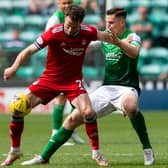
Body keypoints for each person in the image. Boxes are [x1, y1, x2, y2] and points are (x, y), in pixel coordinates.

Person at [20, 7, 154, 166]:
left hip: (126, 87)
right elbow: (84, 46)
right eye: (106, 22)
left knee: (131, 107)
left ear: (122, 22)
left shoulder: (132, 36)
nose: (108, 25)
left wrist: (118, 41)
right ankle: (44, 157)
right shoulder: (105, 38)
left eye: (111, 22)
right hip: (106, 88)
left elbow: (134, 53)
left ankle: (147, 149)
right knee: (72, 119)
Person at [0, 4, 118, 167]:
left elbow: (108, 37)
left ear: (81, 23)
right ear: (65, 18)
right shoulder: (54, 32)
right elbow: (28, 51)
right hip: (50, 79)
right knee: (18, 108)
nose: (69, 30)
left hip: (72, 81)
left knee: (89, 112)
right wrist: (13, 67)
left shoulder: (88, 31)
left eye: (74, 27)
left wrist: (123, 41)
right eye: (68, 25)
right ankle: (15, 151)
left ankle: (96, 154)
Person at [45, 0, 84, 144]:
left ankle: (72, 129)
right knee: (61, 97)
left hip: (73, 62)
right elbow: (48, 40)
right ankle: (56, 132)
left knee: (77, 97)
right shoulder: (54, 19)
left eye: (69, 2)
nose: (66, 5)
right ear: (58, 5)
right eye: (63, 3)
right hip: (60, 65)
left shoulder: (73, 17)